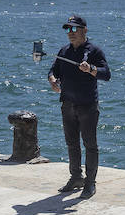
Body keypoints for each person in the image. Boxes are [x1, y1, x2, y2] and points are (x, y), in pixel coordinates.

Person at [47, 14, 111, 200]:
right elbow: (53, 70)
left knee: (90, 145)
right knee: (71, 143)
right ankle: (76, 177)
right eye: (68, 29)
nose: (71, 32)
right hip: (67, 103)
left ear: (85, 30)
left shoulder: (94, 51)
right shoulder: (64, 51)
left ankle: (90, 183)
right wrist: (52, 80)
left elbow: (106, 74)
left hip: (87, 105)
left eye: (75, 29)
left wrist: (91, 69)